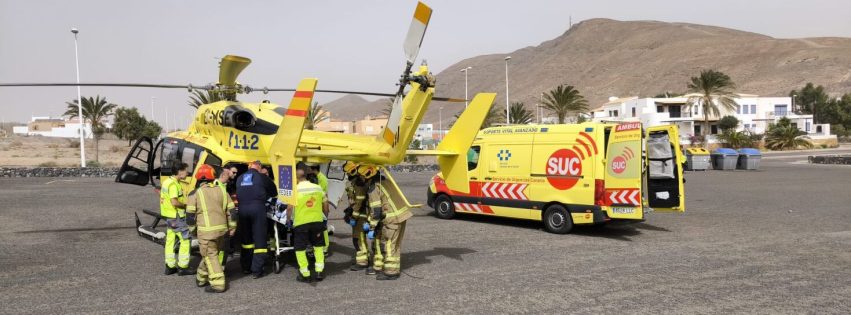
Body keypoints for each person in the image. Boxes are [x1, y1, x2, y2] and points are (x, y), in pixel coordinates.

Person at [186, 165, 237, 293]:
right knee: (210, 254)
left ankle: (218, 284)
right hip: (222, 231)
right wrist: (232, 227)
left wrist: (193, 231)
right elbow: (232, 211)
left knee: (210, 256)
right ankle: (201, 277)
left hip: (206, 231)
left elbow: (190, 216)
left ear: (198, 178)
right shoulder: (222, 191)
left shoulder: (195, 194)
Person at [364, 165, 412, 280]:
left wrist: (371, 226)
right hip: (402, 216)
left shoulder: (374, 188)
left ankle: (391, 272)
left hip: (392, 220)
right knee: (395, 244)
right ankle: (389, 267)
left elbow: (376, 211)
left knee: (389, 244)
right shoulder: (386, 182)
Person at [287, 162, 329, 283]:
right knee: (318, 246)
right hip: (317, 222)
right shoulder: (317, 187)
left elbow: (289, 208)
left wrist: (289, 220)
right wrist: (324, 218)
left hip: (301, 224)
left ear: (296, 177)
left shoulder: (294, 190)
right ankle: (319, 271)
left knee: (300, 248)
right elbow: (325, 205)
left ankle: (305, 274)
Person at [235, 160, 277, 278]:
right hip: (258, 208)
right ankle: (257, 270)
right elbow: (274, 192)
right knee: (259, 238)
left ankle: (246, 267)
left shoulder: (240, 178)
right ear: (258, 166)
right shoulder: (261, 177)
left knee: (246, 239)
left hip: (242, 209)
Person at [161, 162, 194, 276]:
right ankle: (183, 267)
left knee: (170, 240)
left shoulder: (166, 182)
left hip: (169, 216)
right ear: (179, 172)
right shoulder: (174, 185)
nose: (187, 172)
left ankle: (169, 266)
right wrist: (186, 206)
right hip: (177, 217)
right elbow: (174, 202)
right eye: (185, 170)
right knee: (185, 239)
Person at [343, 162, 370, 271]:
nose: (347, 175)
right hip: (359, 215)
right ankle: (365, 258)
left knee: (358, 239)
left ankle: (363, 262)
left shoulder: (358, 184)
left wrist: (353, 217)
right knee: (359, 239)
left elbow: (359, 202)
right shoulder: (355, 183)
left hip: (360, 217)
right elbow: (354, 201)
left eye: (347, 172)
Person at [307, 163, 331, 256]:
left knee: (323, 228)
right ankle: (317, 246)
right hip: (317, 204)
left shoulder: (322, 179)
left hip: (320, 205)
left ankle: (325, 248)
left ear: (314, 169)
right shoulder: (316, 177)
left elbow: (322, 195)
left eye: (310, 169)